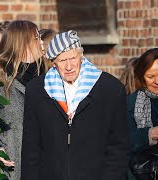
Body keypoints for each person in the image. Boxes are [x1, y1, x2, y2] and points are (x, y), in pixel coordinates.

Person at [21, 30, 129, 180]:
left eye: (73, 58)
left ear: (81, 55)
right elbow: (31, 148)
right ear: (53, 62)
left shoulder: (110, 89)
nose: (69, 66)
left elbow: (118, 147)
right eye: (62, 60)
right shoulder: (37, 90)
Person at [0, 20, 47, 180]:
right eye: (37, 38)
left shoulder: (49, 78)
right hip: (11, 171)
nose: (42, 43)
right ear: (23, 44)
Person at [127, 48, 158, 180]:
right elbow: (123, 140)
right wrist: (150, 134)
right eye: (151, 77)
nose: (157, 81)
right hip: (142, 173)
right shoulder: (131, 103)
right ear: (141, 77)